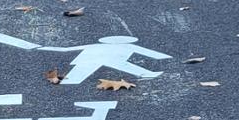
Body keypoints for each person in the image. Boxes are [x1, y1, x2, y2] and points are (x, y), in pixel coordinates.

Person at [41, 36, 171, 85]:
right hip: (96, 60)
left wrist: (45, 47)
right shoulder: (128, 45)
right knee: (124, 65)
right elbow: (154, 54)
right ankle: (146, 73)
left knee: (77, 75)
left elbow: (66, 49)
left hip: (88, 60)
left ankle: (146, 73)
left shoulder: (96, 46)